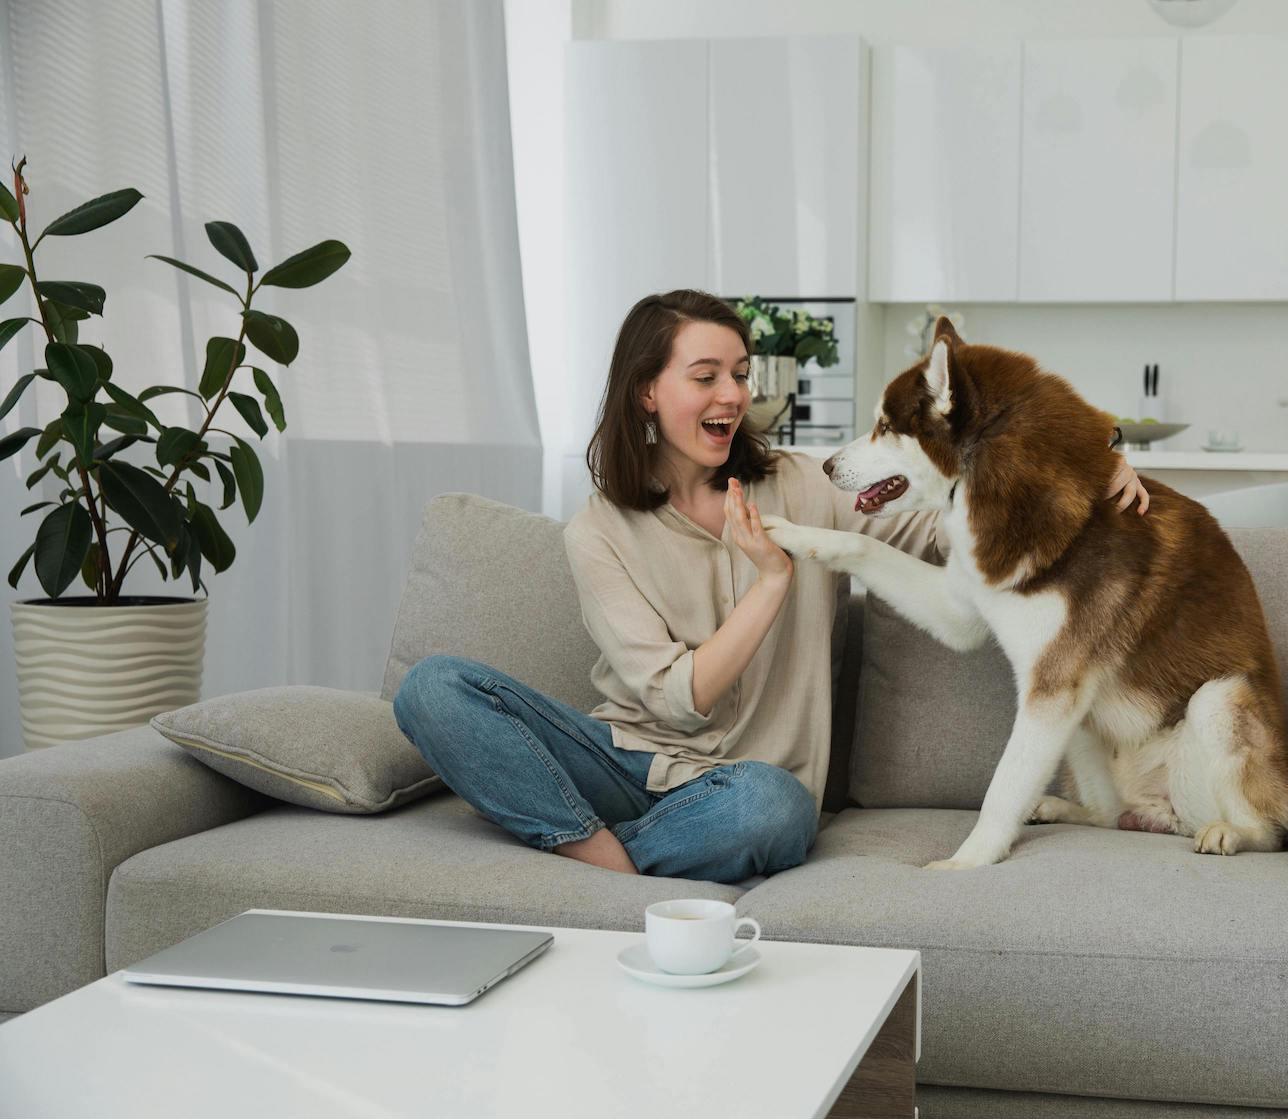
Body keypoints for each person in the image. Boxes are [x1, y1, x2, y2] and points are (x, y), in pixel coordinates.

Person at [392, 290, 1149, 884]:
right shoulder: (597, 530)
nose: (733, 395)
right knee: (432, 688)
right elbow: (675, 700)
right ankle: (610, 857)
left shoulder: (800, 485)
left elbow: (953, 521)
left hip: (747, 791)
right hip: (620, 762)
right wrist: (772, 581)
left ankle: (590, 858)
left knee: (773, 812)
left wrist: (1092, 457)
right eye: (705, 377)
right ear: (646, 393)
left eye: (741, 375)